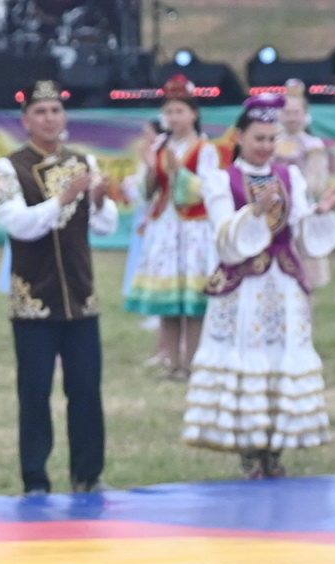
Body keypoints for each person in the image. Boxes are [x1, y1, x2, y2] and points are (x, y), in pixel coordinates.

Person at [181, 93, 335, 479]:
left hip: (283, 283)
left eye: (272, 139)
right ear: (238, 137)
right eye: (259, 138)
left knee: (282, 360)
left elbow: (302, 232)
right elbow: (223, 237)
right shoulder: (222, 180)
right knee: (246, 359)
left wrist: (319, 214)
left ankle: (276, 452)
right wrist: (253, 212)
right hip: (244, 288)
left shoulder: (291, 176)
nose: (266, 146)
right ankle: (249, 453)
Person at [0, 81, 117, 495]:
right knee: (34, 392)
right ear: (26, 120)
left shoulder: (84, 161)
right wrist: (62, 200)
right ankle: (35, 479)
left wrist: (97, 200)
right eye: (41, 111)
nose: (50, 118)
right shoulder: (11, 167)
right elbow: (17, 224)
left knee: (86, 389)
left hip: (80, 295)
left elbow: (105, 225)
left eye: (56, 110)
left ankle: (88, 473)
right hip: (34, 298)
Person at [124, 78, 217, 378]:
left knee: (192, 301)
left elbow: (208, 189)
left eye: (180, 111)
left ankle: (190, 362)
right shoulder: (161, 146)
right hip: (165, 228)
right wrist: (152, 167)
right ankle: (171, 360)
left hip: (193, 229)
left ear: (194, 114)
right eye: (170, 112)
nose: (174, 118)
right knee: (168, 300)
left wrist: (181, 173)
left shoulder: (205, 149)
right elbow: (147, 191)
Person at [273, 82, 334, 292]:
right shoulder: (272, 143)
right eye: (287, 112)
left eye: (296, 112)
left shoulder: (312, 144)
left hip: (301, 207)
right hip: (274, 206)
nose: (291, 117)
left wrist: (295, 191)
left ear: (305, 114)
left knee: (305, 270)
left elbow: (316, 180)